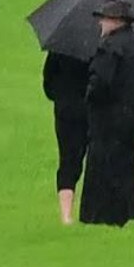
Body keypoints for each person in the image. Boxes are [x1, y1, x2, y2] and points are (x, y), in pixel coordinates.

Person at [82, 0, 134, 229]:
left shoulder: (109, 48)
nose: (101, 23)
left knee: (105, 171)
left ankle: (109, 216)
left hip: (109, 122)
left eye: (104, 18)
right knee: (130, 169)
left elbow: (100, 83)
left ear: (116, 21)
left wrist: (89, 98)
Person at [43, 51, 90, 225]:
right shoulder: (105, 46)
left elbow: (48, 85)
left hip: (67, 111)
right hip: (97, 110)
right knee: (99, 161)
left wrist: (62, 96)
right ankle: (95, 212)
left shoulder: (61, 48)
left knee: (68, 162)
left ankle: (66, 215)